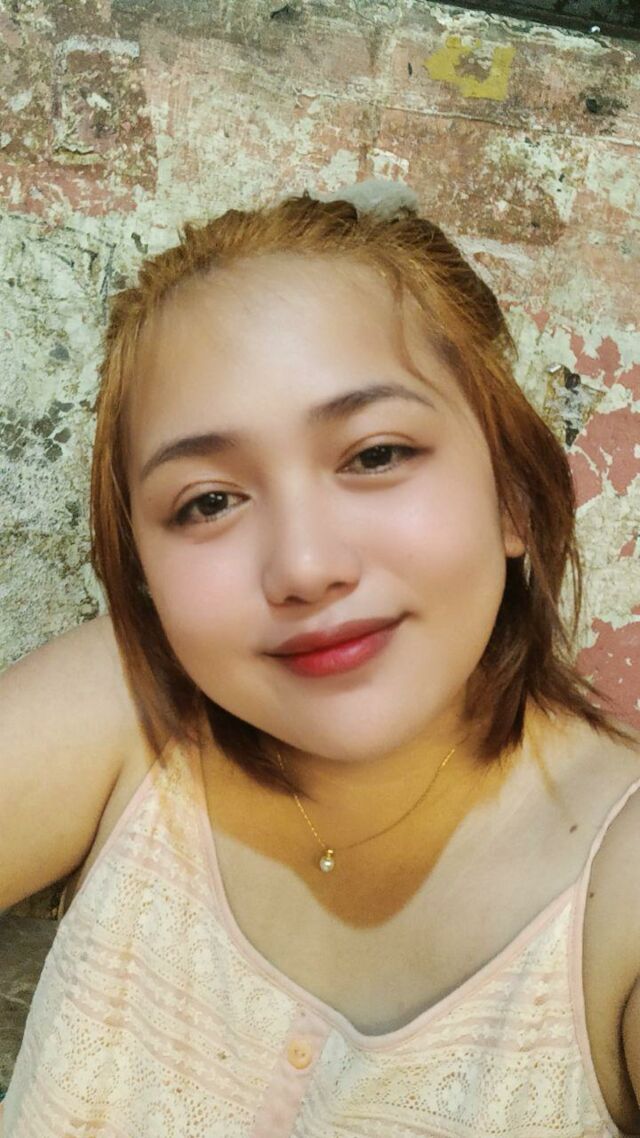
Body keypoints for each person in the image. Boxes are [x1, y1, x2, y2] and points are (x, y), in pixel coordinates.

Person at [1, 178, 639, 1137]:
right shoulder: (127, 710)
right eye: (208, 502)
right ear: (144, 574)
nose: (303, 567)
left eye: (375, 454)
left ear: (512, 494)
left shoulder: (619, 896)